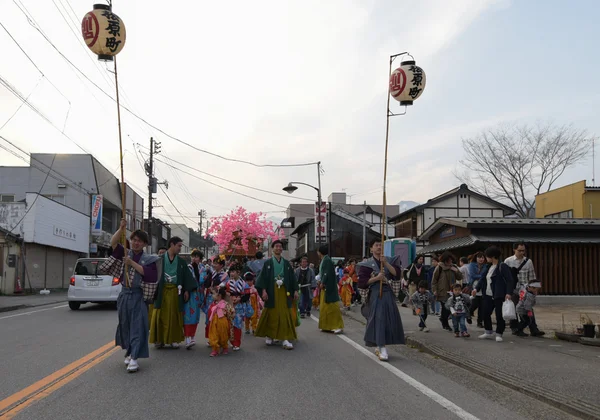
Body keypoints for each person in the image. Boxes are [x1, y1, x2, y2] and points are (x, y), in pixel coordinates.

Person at [110, 220, 159, 373]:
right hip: (124, 295)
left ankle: (135, 358)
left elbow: (149, 274)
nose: (136, 243)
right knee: (125, 326)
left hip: (138, 296)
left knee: (138, 327)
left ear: (145, 244)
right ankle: (130, 352)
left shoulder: (150, 259)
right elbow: (113, 242)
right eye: (134, 240)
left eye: (139, 241)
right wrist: (121, 228)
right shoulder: (125, 253)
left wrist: (131, 263)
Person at [357, 239, 405, 361]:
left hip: (388, 293)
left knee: (389, 319)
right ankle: (381, 346)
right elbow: (362, 283)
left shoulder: (390, 260)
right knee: (378, 319)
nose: (379, 247)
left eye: (381, 245)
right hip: (375, 294)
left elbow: (397, 274)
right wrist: (376, 278)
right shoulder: (366, 264)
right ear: (371, 249)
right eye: (376, 245)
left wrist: (386, 264)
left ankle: (382, 344)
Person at [150, 236, 196, 349]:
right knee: (159, 314)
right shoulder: (159, 259)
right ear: (172, 244)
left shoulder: (181, 262)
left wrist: (186, 290)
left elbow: (187, 277)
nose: (180, 248)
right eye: (179, 246)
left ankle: (173, 339)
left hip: (176, 291)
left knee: (175, 315)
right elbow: (152, 275)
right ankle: (159, 339)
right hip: (162, 290)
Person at [254, 240, 299, 350]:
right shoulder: (268, 263)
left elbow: (292, 278)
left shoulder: (287, 263)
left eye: (280, 247)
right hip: (272, 291)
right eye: (276, 246)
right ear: (272, 248)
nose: (279, 248)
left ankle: (284, 338)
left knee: (284, 314)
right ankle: (270, 335)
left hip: (284, 290)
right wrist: (263, 291)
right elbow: (262, 278)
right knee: (271, 313)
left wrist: (296, 290)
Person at [472, 246, 514, 343]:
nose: (485, 258)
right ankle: (488, 331)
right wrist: (476, 289)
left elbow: (509, 280)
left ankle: (499, 333)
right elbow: (482, 279)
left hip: (499, 294)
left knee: (499, 315)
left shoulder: (502, 266)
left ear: (493, 256)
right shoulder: (488, 267)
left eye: (487, 256)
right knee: (485, 313)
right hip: (487, 294)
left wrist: (508, 292)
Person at [504, 242, 545, 337]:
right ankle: (515, 328)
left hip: (525, 289)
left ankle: (533, 329)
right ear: (514, 250)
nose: (522, 252)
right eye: (519, 250)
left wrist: (534, 289)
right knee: (514, 309)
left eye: (523, 251)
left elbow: (531, 276)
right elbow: (505, 277)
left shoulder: (528, 261)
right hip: (513, 289)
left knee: (528, 308)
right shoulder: (508, 261)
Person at [431, 251, 463, 331]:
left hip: (452, 291)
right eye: (449, 260)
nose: (451, 262)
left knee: (450, 308)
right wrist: (435, 290)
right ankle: (445, 324)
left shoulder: (454, 267)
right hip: (442, 291)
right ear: (445, 260)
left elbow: (460, 277)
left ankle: (443, 319)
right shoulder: (440, 267)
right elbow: (434, 280)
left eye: (451, 260)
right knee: (446, 307)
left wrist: (456, 270)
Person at [317, 244, 344, 334]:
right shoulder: (325, 260)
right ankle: (326, 326)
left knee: (333, 307)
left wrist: (323, 282)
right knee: (325, 307)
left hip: (329, 287)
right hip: (325, 286)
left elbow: (326, 273)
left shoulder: (327, 260)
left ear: (319, 252)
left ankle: (338, 326)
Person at [183, 249, 205, 349]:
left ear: (200, 259)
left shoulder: (203, 268)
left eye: (196, 256)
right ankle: (187, 338)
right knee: (188, 315)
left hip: (198, 294)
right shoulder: (189, 267)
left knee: (195, 316)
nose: (194, 258)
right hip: (190, 293)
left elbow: (203, 280)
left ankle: (192, 336)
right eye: (193, 256)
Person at [208, 287, 233, 357]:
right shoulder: (213, 303)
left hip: (222, 321)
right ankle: (215, 349)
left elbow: (231, 312)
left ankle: (225, 346)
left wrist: (229, 317)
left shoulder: (225, 304)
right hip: (214, 322)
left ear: (219, 295)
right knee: (213, 334)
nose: (212, 296)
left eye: (213, 294)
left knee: (223, 335)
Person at [230, 281, 254, 350]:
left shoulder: (244, 284)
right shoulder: (228, 282)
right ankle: (232, 341)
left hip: (239, 307)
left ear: (238, 272)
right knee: (230, 325)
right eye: (231, 271)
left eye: (233, 271)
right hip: (230, 306)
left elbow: (247, 296)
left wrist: (239, 299)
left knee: (237, 325)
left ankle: (237, 343)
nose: (232, 273)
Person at [468, 252, 487, 328]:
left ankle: (480, 322)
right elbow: (473, 275)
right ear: (476, 258)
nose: (481, 259)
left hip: (483, 286)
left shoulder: (486, 266)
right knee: (474, 303)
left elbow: (485, 275)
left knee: (482, 305)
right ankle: (468, 313)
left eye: (482, 257)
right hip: (474, 286)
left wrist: (482, 277)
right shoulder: (472, 265)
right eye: (479, 257)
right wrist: (482, 276)